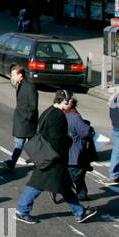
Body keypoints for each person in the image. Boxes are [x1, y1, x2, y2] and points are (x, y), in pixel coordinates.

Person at [14, 90, 96, 224]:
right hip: (53, 158)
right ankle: (22, 210)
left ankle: (79, 212)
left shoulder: (48, 111)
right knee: (38, 184)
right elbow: (56, 139)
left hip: (48, 156)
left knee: (64, 185)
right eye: (70, 101)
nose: (71, 104)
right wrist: (68, 141)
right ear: (65, 101)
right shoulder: (58, 116)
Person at [0, 66, 39, 172]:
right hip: (22, 120)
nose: (12, 77)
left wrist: (26, 118)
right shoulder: (21, 85)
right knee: (29, 143)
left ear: (20, 75)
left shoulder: (29, 87)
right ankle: (37, 161)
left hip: (25, 121)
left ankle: (11, 162)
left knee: (19, 143)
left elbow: (33, 106)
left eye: (13, 75)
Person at [63, 96, 98, 201]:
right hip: (75, 153)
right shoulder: (75, 117)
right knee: (77, 174)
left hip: (63, 152)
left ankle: (81, 193)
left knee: (77, 173)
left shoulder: (57, 115)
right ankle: (76, 195)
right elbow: (86, 132)